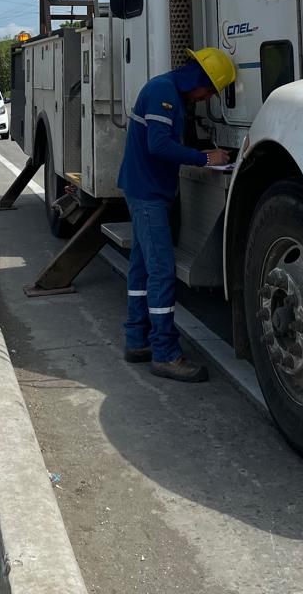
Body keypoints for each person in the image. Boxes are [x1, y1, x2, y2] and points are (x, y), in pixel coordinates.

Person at [117, 47, 237, 382]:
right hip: (148, 194)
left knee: (142, 269)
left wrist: (200, 152)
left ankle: (137, 340)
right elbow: (158, 145)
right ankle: (166, 353)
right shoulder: (164, 93)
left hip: (144, 189)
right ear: (200, 81)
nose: (207, 98)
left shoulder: (167, 89)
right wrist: (205, 159)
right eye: (210, 91)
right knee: (161, 272)